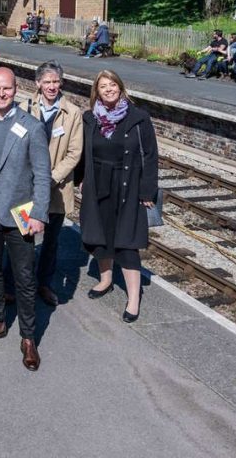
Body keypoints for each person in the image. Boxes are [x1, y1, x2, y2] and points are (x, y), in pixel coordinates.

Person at [0, 67, 51, 372]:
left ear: (17, 90)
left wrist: (40, 213)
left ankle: (28, 337)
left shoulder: (31, 126)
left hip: (20, 215)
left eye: (7, 89)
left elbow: (42, 174)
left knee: (25, 277)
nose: (2, 94)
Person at [78, 70, 158, 324]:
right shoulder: (90, 118)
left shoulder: (138, 118)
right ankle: (106, 280)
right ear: (97, 92)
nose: (109, 89)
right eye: (103, 86)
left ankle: (134, 298)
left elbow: (150, 155)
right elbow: (83, 151)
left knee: (126, 242)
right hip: (98, 184)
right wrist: (80, 178)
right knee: (100, 236)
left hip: (128, 186)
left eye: (113, 85)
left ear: (121, 88)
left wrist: (148, 191)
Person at [25, 61, 83, 306]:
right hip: (28, 187)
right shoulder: (25, 107)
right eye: (46, 82)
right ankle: (17, 283)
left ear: (61, 83)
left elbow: (74, 152)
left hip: (57, 188)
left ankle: (44, 283)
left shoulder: (73, 113)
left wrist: (51, 177)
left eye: (55, 81)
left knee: (51, 240)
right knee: (23, 238)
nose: (51, 86)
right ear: (38, 83)